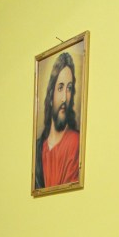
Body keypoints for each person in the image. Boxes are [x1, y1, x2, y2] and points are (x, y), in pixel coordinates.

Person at [34, 51, 80, 190]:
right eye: (60, 88)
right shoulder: (39, 148)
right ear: (51, 94)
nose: (64, 98)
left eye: (69, 88)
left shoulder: (75, 142)